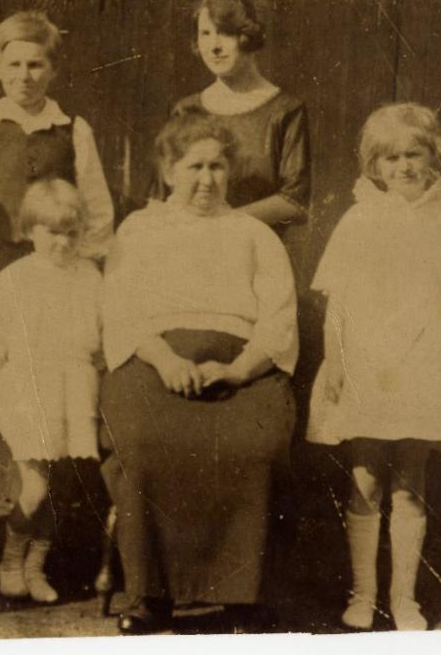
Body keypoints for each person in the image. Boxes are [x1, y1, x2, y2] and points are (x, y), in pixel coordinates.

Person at [100, 113, 298, 634]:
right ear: (168, 170)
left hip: (240, 364)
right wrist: (166, 360)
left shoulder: (254, 234)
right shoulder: (139, 229)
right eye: (194, 166)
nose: (207, 179)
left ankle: (241, 596)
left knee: (253, 446)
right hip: (152, 356)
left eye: (217, 166)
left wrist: (237, 370)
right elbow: (119, 311)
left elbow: (279, 320)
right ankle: (148, 596)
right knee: (143, 440)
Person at [0, 11, 114, 566]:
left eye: (37, 63)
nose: (25, 75)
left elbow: (100, 214)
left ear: (53, 68)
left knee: (62, 400)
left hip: (56, 281)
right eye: (14, 63)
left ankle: (58, 531)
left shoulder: (73, 129)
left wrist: (68, 269)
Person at [306, 103, 441, 631]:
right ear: (375, 164)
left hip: (426, 364)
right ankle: (363, 595)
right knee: (366, 477)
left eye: (414, 154)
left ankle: (404, 599)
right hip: (369, 364)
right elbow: (337, 302)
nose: (404, 166)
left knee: (411, 482)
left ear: (432, 156)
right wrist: (336, 361)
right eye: (391, 158)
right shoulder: (360, 217)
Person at [0, 180, 102, 603]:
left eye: (71, 232)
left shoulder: (89, 276)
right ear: (31, 230)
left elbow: (99, 339)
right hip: (29, 390)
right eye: (52, 231)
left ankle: (36, 568)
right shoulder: (14, 278)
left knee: (60, 487)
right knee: (35, 486)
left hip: (75, 389)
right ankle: (11, 560)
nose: (63, 242)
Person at [170, 0, 310, 230]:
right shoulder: (187, 110)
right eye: (205, 33)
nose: (214, 46)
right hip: (191, 244)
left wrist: (223, 223)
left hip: (257, 247)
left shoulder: (285, 110)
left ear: (250, 35)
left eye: (225, 33)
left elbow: (295, 200)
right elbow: (166, 189)